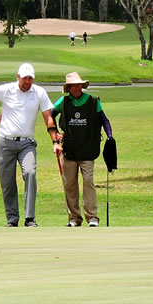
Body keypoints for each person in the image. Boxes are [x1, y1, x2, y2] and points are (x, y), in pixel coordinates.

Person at [0, 62, 59, 227]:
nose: (28, 81)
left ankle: (29, 218)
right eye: (25, 78)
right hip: (5, 142)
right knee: (7, 181)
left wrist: (55, 140)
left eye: (30, 78)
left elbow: (48, 117)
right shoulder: (7, 90)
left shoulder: (39, 92)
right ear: (18, 77)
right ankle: (12, 219)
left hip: (26, 143)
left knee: (30, 172)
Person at [52, 71, 114, 227]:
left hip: (88, 149)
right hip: (69, 150)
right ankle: (74, 218)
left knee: (88, 182)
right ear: (69, 88)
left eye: (79, 85)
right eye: (74, 86)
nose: (77, 88)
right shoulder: (63, 102)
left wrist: (110, 136)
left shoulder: (93, 101)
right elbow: (50, 116)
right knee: (70, 185)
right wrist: (56, 135)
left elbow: (104, 120)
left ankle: (92, 217)